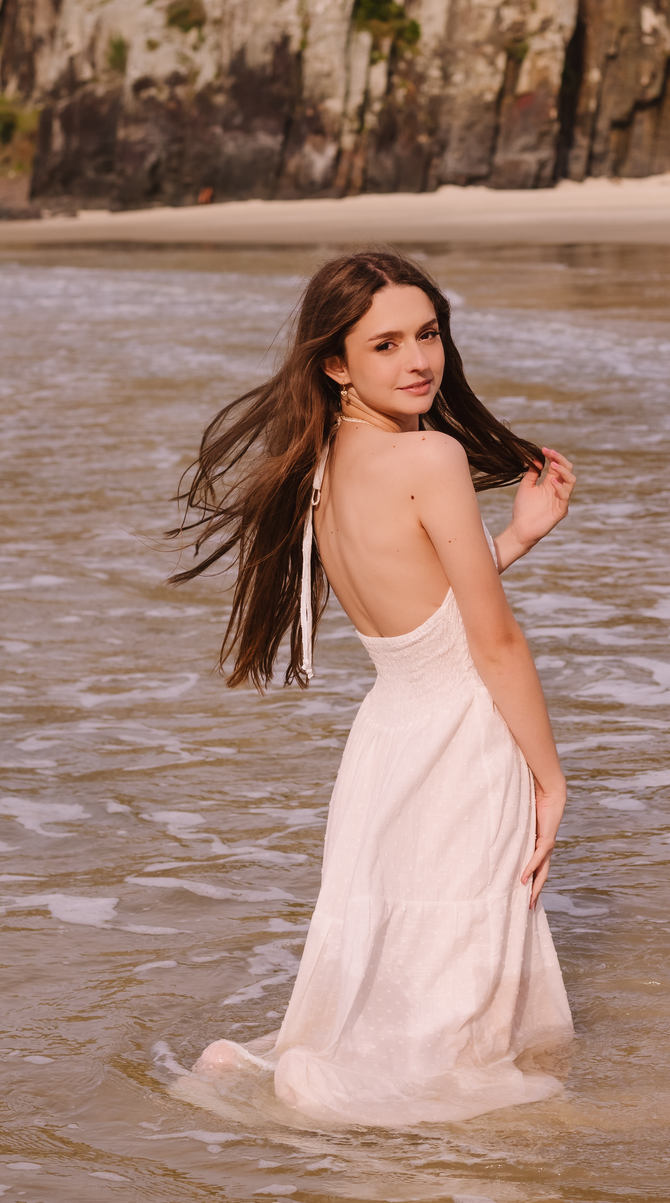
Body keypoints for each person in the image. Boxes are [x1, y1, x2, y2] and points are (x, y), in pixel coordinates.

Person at [171, 248, 576, 1126]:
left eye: (427, 334)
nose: (419, 360)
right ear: (335, 362)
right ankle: (360, 1114)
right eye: (385, 344)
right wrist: (552, 778)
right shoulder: (429, 456)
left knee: (404, 958)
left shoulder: (321, 464)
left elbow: (424, 608)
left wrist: (516, 538)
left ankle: (282, 1074)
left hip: (389, 736)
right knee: (455, 1001)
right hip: (462, 740)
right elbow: (493, 641)